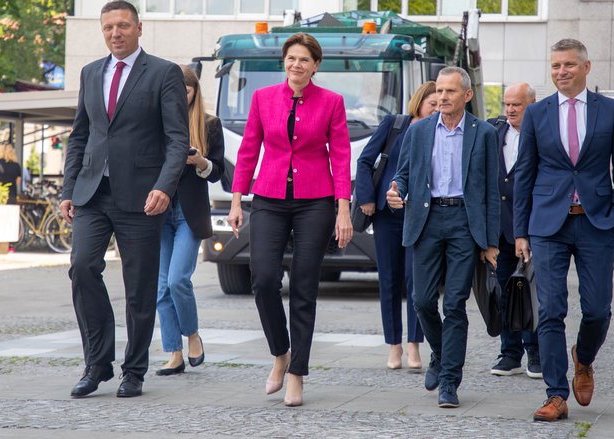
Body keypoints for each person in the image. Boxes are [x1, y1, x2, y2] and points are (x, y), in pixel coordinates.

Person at [60, 0, 189, 398]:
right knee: (82, 268)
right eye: (108, 27)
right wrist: (68, 190)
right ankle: (97, 363)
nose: (115, 33)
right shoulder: (91, 71)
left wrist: (165, 187)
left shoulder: (164, 73)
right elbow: (80, 135)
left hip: (142, 198)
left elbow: (177, 140)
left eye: (122, 26)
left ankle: (133, 371)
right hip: (92, 194)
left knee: (139, 287)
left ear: (138, 28)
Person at [227, 33, 352, 407]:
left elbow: (341, 157)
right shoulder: (263, 99)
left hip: (316, 201)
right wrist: (237, 200)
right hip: (268, 197)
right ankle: (280, 353)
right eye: (291, 59)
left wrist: (342, 209)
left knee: (303, 286)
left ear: (315, 66)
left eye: (304, 60)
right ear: (285, 62)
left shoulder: (332, 102)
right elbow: (249, 149)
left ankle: (297, 372)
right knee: (263, 278)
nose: (296, 65)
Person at [514, 39, 614, 422]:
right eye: (555, 66)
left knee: (597, 310)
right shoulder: (537, 114)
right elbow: (524, 175)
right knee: (550, 309)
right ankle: (555, 394)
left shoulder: (611, 112)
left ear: (586, 66)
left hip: (597, 222)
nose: (560, 71)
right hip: (548, 224)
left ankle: (583, 358)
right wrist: (521, 230)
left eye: (568, 65)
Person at [387, 66, 500, 409]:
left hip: (465, 222)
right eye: (440, 91)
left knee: (454, 304)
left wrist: (491, 241)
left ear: (466, 96)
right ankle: (439, 352)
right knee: (421, 301)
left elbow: (492, 191)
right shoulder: (419, 131)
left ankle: (450, 381)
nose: (442, 97)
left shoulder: (483, 134)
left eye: (451, 91)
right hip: (427, 218)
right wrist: (396, 190)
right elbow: (403, 175)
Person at [355, 81, 437, 370]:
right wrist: (366, 198)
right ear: (420, 102)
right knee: (389, 280)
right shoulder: (396, 124)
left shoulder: (440, 132)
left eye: (441, 105)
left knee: (417, 282)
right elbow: (365, 161)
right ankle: (394, 346)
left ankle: (415, 345)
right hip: (387, 216)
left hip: (422, 216)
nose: (437, 109)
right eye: (433, 104)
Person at [155, 65, 225, 376]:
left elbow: (219, 172)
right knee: (160, 289)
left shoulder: (210, 125)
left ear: (195, 91)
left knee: (177, 280)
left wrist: (200, 162)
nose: (181, 97)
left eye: (187, 91)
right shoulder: (155, 124)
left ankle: (192, 334)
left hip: (189, 213)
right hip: (158, 212)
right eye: (176, 91)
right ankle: (174, 353)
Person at [486, 83, 541, 379]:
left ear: (531, 104)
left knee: (532, 292)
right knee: (505, 292)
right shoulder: (494, 133)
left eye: (516, 105)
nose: (509, 110)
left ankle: (536, 352)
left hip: (533, 228)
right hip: (500, 230)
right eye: (507, 104)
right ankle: (510, 353)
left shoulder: (542, 135)